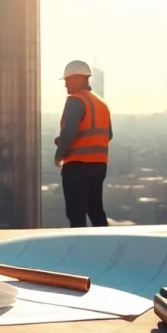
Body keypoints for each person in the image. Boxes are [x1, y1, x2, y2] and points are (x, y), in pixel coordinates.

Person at [54, 59, 112, 228]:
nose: (65, 84)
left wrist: (59, 154)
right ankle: (105, 247)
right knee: (95, 211)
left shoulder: (75, 100)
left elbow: (69, 132)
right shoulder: (101, 103)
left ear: (79, 78)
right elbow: (108, 135)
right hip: (99, 166)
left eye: (67, 80)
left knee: (76, 213)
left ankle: (78, 249)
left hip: (77, 166)